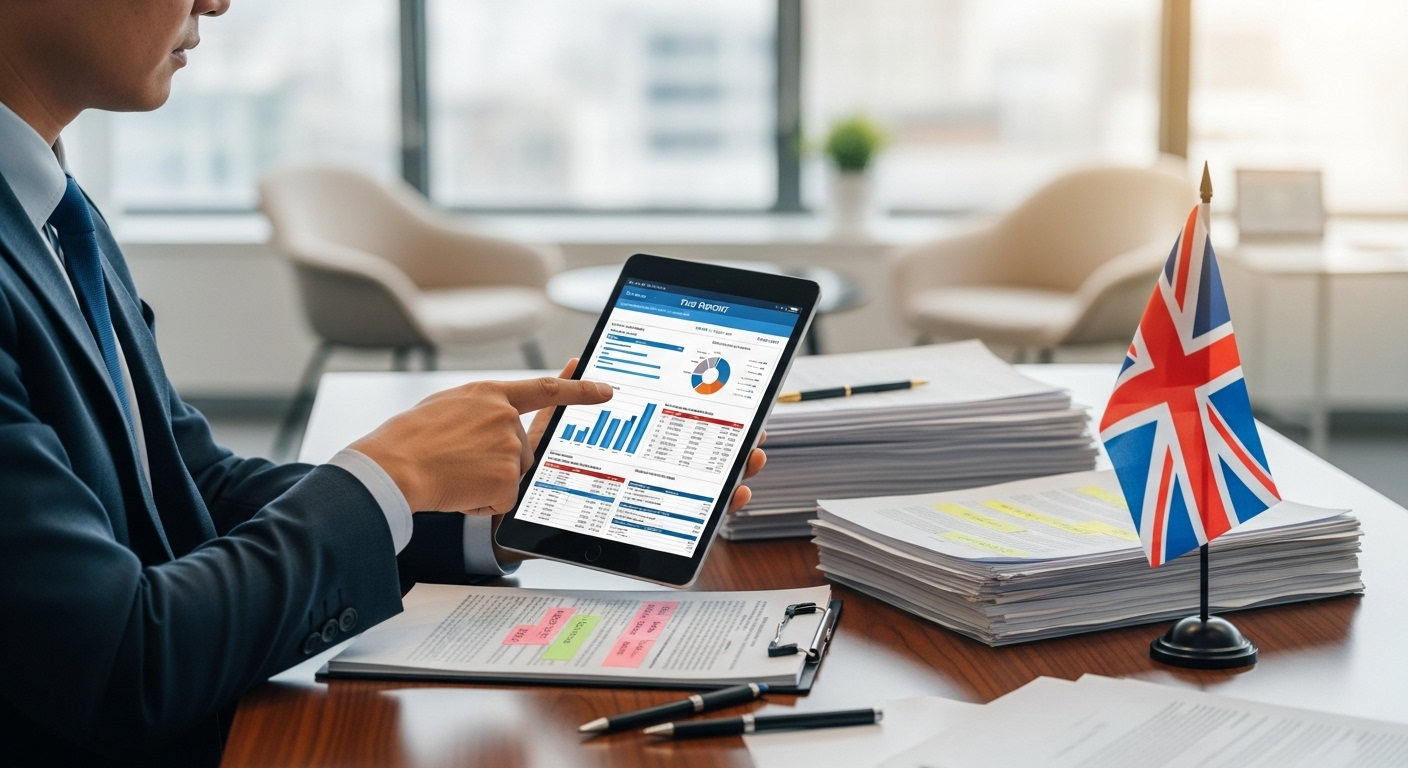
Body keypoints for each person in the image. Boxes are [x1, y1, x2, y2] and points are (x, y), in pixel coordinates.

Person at [0, 1, 767, 765]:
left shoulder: (61, 217)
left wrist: (492, 513)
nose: (218, 2)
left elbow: (195, 489)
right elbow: (116, 665)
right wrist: (386, 479)